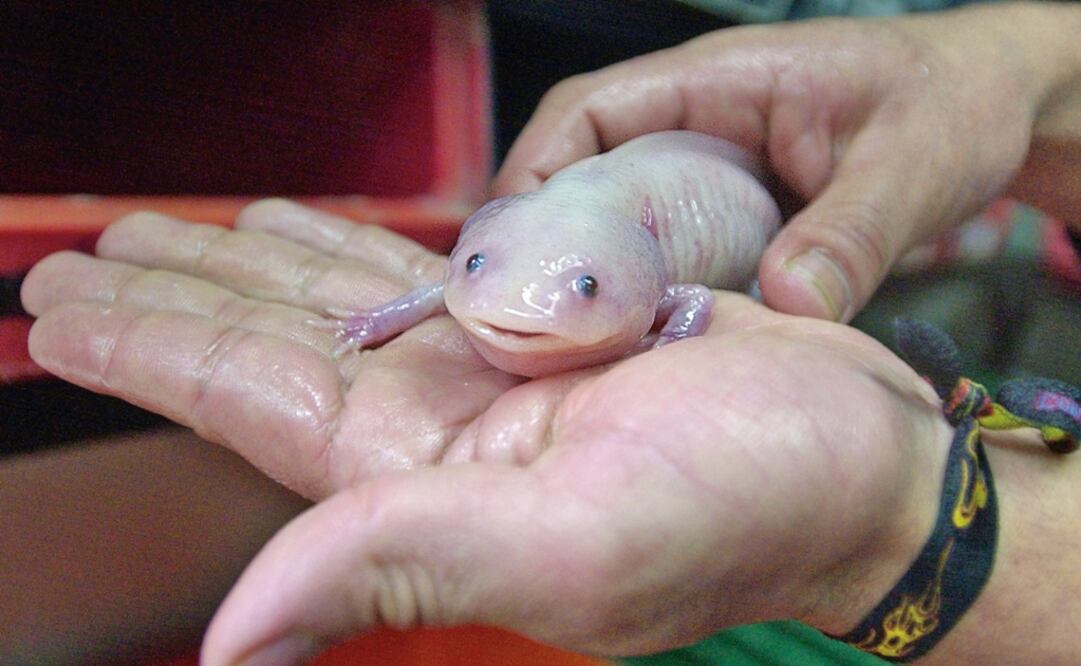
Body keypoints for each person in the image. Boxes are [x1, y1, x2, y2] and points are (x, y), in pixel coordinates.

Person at [19, 2, 1081, 664]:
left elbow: (696, 305)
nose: (510, 311)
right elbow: (443, 290)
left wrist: (892, 508)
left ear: (648, 284)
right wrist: (1028, 60)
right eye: (475, 269)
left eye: (577, 293)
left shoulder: (674, 286)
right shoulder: (483, 268)